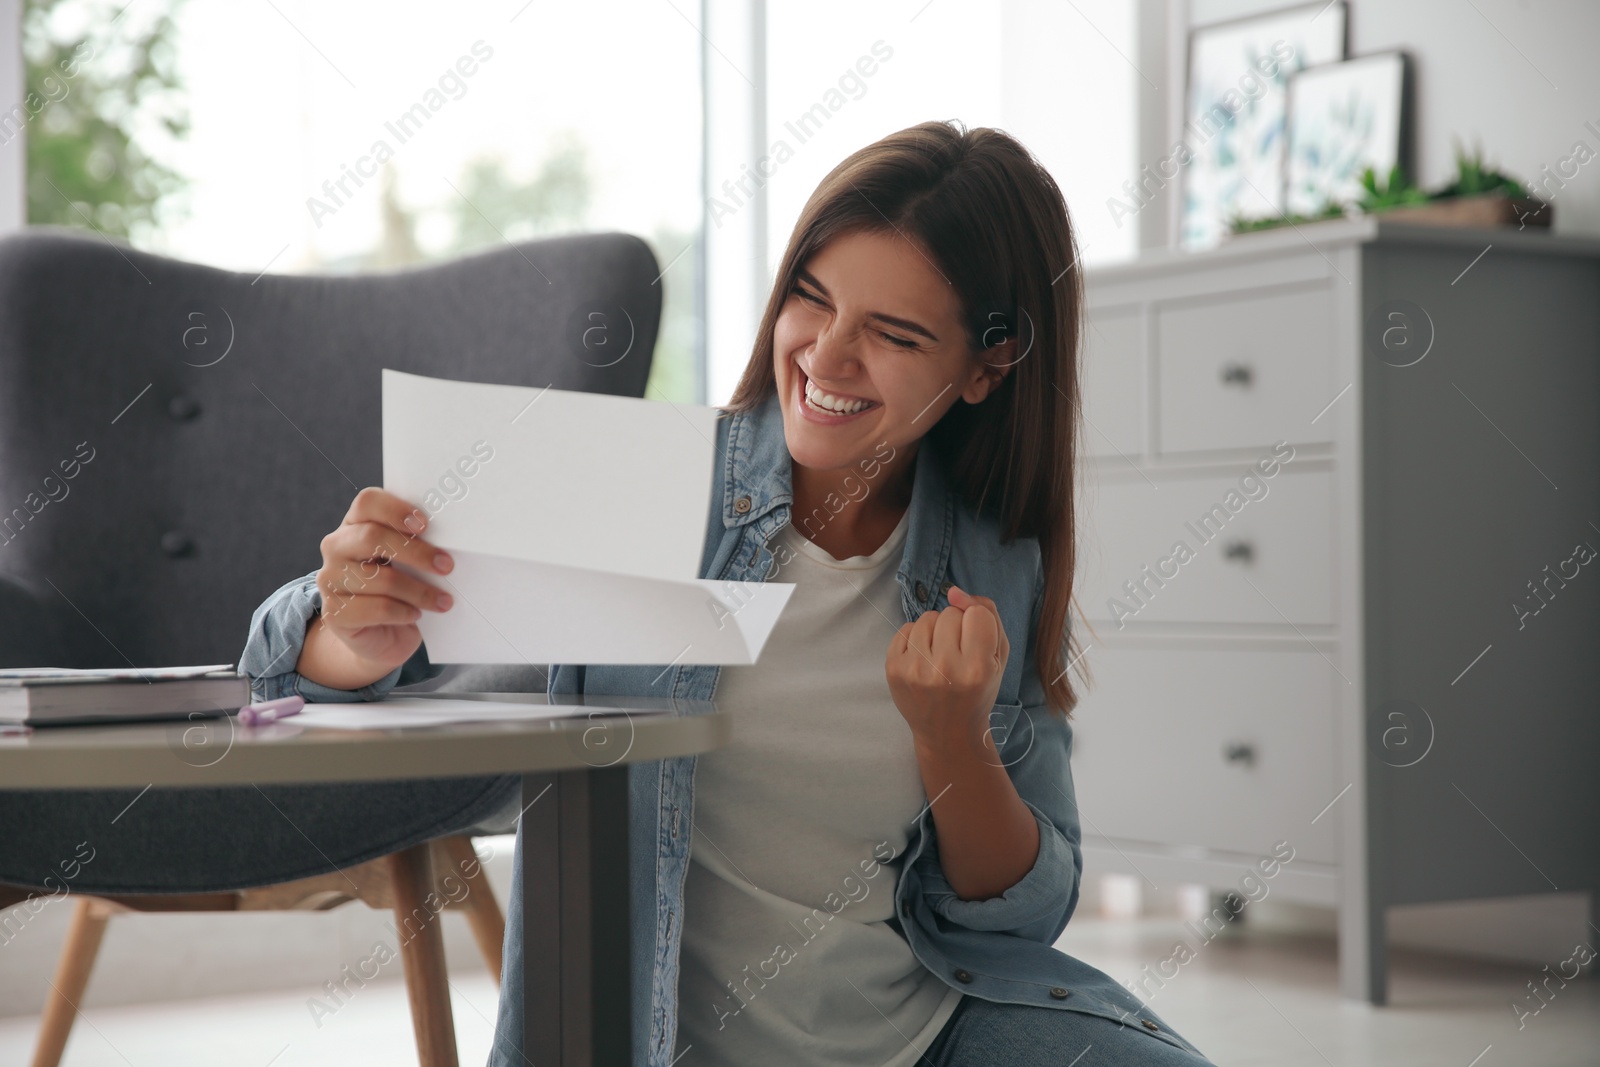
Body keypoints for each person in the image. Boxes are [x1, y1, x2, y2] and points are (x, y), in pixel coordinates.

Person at [240, 119, 1216, 1066]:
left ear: (984, 366)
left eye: (894, 332)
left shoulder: (995, 558)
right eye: (810, 295)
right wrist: (350, 631)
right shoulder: (649, 485)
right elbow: (297, 672)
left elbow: (1021, 910)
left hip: (930, 1034)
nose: (827, 355)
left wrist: (953, 739)